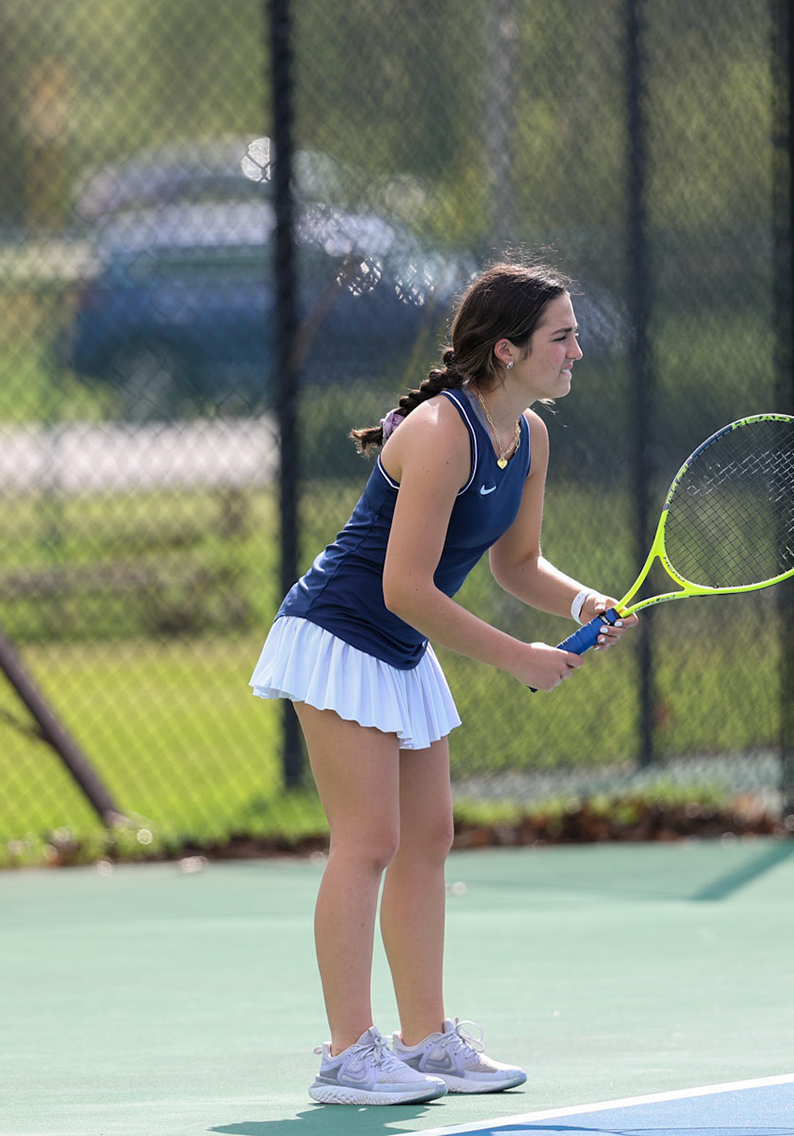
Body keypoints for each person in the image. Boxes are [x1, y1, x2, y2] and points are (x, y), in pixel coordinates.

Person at [249, 258, 635, 1106]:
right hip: (339, 635)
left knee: (429, 840)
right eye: (561, 337)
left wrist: (577, 599)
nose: (577, 351)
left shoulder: (529, 436)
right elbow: (403, 587)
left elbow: (518, 562)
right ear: (506, 350)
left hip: (399, 649)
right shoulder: (438, 432)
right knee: (370, 841)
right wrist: (520, 657)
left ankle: (426, 1041)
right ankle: (347, 1055)